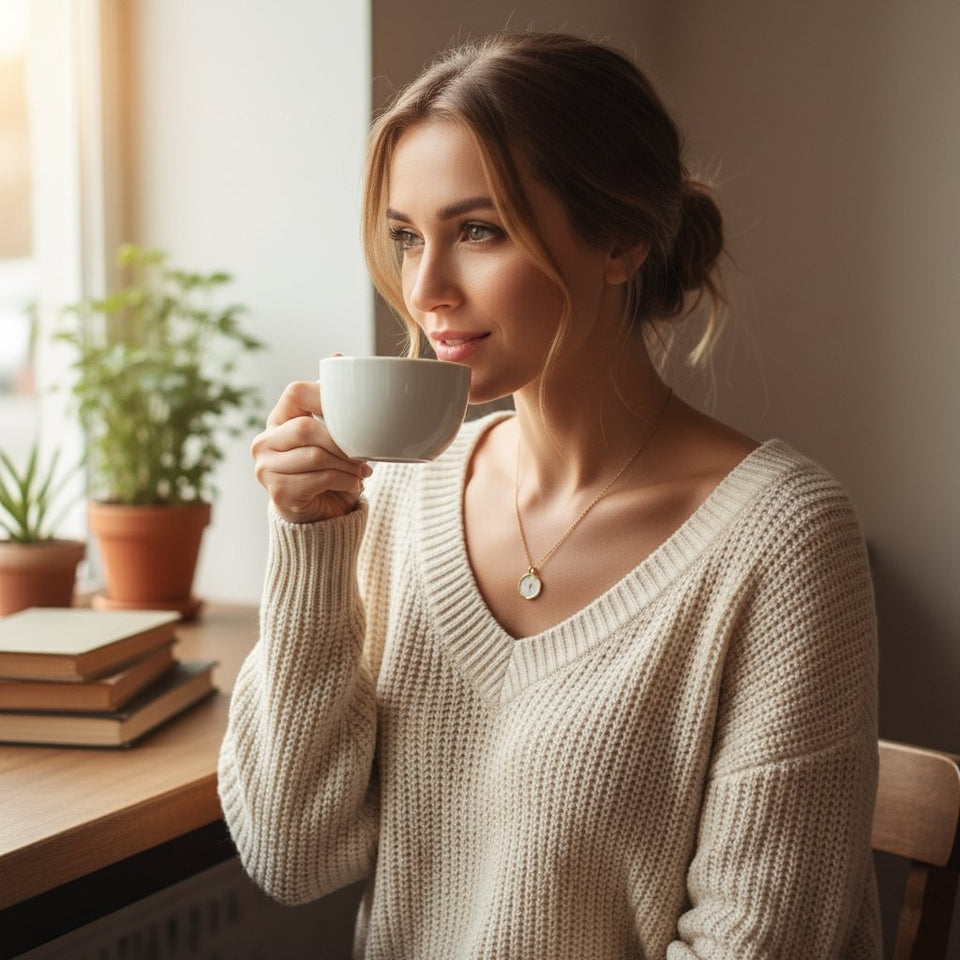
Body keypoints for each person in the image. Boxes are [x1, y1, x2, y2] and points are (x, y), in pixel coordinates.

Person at [218, 31, 881, 959]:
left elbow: (755, 943)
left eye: (477, 231)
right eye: (408, 238)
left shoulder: (781, 537)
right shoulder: (402, 494)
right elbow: (293, 854)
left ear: (621, 241)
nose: (425, 289)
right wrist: (310, 537)